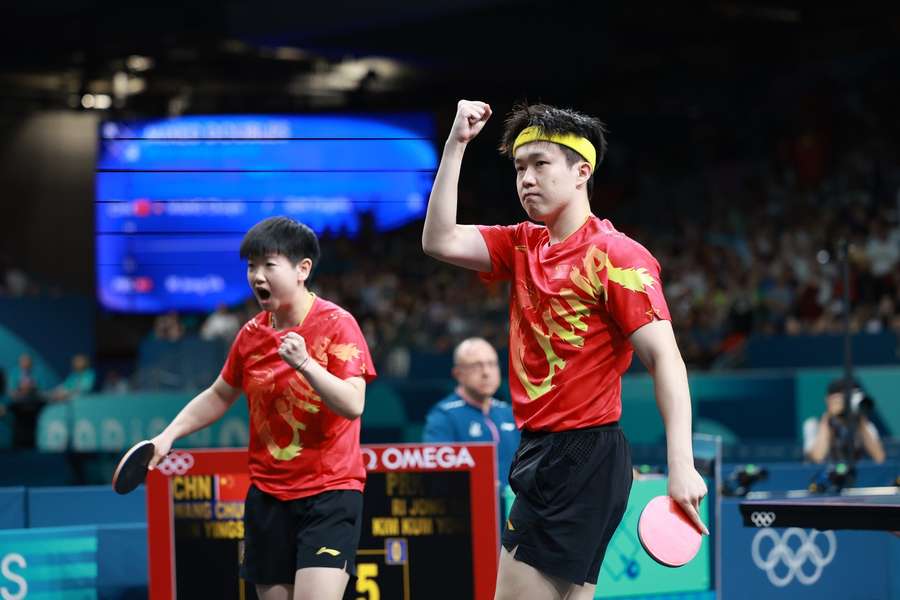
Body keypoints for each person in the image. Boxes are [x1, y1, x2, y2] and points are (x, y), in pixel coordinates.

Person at [422, 100, 708, 600]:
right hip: (544, 451)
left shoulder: (617, 257)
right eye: (518, 167)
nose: (526, 178)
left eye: (540, 164)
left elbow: (666, 359)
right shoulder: (521, 245)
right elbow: (440, 239)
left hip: (580, 452)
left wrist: (680, 464)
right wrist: (456, 145)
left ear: (582, 172)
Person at [148, 216, 376, 600]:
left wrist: (305, 363)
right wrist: (167, 436)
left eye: (269, 265)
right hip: (268, 497)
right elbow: (220, 394)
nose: (257, 276)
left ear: (303, 269)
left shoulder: (339, 324)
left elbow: (353, 403)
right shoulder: (252, 334)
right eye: (251, 266)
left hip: (329, 493)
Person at [423, 337, 519, 515]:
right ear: (458, 374)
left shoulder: (509, 413)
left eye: (492, 364)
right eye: (477, 365)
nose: (486, 372)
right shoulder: (443, 416)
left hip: (515, 520)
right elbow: (438, 477)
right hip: (469, 516)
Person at [803, 378, 885, 464]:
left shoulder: (864, 424)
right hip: (823, 475)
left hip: (853, 475)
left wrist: (861, 420)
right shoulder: (813, 424)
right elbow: (817, 457)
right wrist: (828, 418)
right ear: (828, 400)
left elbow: (879, 458)